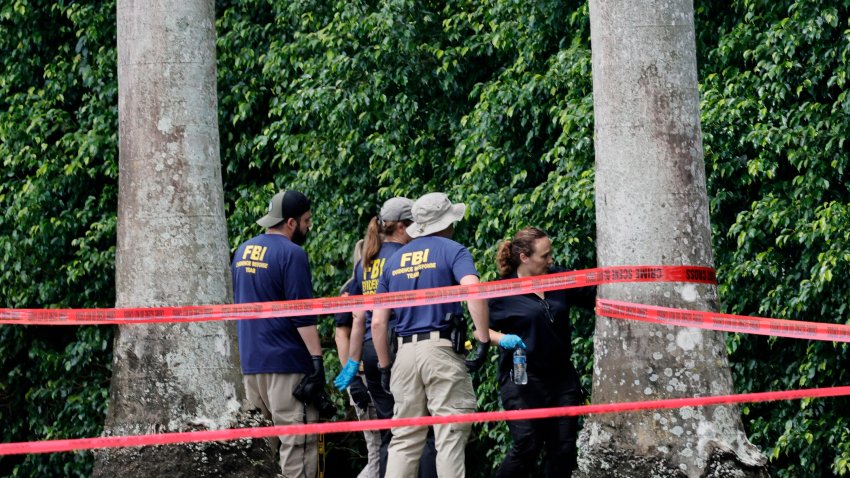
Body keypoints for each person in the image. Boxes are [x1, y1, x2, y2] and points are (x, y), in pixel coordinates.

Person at [370, 192, 491, 478]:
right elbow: (474, 290)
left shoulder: (394, 261)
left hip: (404, 355)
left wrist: (385, 366)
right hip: (441, 350)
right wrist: (483, 341)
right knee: (449, 434)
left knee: (404, 439)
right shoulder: (453, 250)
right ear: (445, 222)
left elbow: (377, 323)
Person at [333, 197, 437, 478]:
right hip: (394, 347)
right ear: (402, 228)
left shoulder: (364, 263)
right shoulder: (404, 258)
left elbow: (357, 317)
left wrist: (353, 366)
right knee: (420, 431)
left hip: (367, 348)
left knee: (388, 433)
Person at [231, 189, 330, 477]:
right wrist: (316, 359)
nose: (309, 226)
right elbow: (302, 314)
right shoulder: (292, 253)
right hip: (286, 364)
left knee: (262, 449)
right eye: (307, 220)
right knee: (298, 444)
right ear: (290, 222)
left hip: (251, 364)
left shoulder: (242, 251)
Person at [487, 227, 596, 477]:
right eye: (544, 256)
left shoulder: (559, 277)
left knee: (564, 448)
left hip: (561, 378)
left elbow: (594, 295)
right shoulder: (502, 290)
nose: (551, 260)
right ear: (524, 257)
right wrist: (502, 338)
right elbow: (481, 331)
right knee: (527, 444)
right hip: (523, 379)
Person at [332, 238, 382, 478]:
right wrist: (352, 379)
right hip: (362, 374)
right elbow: (341, 334)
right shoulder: (351, 289)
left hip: (381, 372)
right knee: (376, 449)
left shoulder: (381, 284)